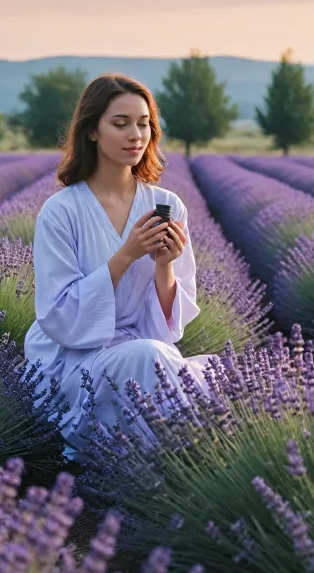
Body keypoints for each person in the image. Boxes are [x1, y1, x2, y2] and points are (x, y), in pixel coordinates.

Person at [24, 73, 211, 458]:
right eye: (121, 123)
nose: (135, 135)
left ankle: (183, 462)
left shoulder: (168, 204)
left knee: (221, 374)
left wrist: (164, 266)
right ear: (92, 131)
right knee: (151, 359)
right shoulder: (61, 212)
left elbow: (168, 330)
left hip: (141, 348)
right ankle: (197, 456)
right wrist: (126, 254)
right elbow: (59, 315)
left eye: (144, 124)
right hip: (72, 359)